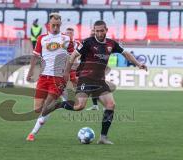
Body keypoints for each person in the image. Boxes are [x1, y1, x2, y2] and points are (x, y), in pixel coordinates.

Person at [41, 20, 147, 144]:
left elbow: (126, 54)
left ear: (106, 30)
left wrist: (138, 64)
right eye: (97, 31)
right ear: (94, 31)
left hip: (100, 81)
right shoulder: (87, 42)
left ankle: (103, 138)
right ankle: (57, 105)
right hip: (85, 78)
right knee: (80, 106)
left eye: (102, 30)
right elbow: (73, 56)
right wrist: (66, 72)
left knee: (111, 105)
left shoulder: (111, 44)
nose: (99, 33)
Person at [26, 13, 74, 141]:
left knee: (46, 108)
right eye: (53, 25)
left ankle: (32, 134)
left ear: (60, 25)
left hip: (57, 78)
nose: (55, 27)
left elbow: (73, 57)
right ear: (49, 25)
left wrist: (69, 72)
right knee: (37, 109)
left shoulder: (66, 39)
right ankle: (59, 104)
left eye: (58, 25)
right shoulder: (42, 38)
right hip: (43, 77)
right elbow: (35, 56)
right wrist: (30, 72)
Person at [61, 27, 81, 102]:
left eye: (70, 33)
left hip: (73, 66)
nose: (68, 35)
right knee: (62, 82)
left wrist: (76, 61)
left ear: (73, 34)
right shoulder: (61, 43)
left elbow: (80, 54)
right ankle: (64, 98)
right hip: (62, 66)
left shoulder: (77, 44)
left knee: (73, 81)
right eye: (67, 33)